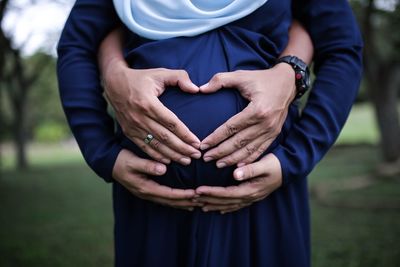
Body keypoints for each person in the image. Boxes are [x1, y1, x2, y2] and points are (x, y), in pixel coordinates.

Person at [57, 0, 363, 266]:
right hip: (151, 206)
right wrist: (103, 152)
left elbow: (341, 47)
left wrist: (296, 156)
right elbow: (78, 44)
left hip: (265, 200)